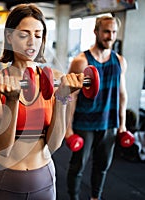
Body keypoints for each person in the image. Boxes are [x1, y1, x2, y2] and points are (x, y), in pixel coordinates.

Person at [0, 4, 85, 200]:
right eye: (24, 35)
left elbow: (54, 144)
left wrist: (62, 97)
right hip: (6, 177)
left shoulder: (54, 79)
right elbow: (3, 148)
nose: (32, 42)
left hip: (44, 178)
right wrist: (12, 101)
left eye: (38, 35)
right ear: (10, 38)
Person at [66, 16, 128, 200]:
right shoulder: (81, 62)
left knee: (102, 166)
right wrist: (68, 128)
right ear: (96, 32)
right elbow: (71, 97)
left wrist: (122, 124)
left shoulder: (120, 61)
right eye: (106, 31)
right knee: (78, 166)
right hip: (84, 123)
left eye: (114, 32)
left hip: (109, 123)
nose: (110, 36)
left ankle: (95, 197)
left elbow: (122, 94)